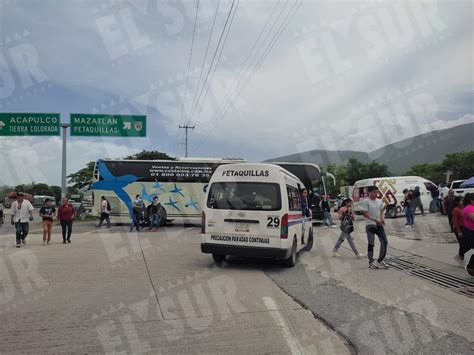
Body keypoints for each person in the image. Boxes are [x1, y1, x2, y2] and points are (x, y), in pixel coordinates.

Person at [362, 186, 389, 269]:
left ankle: (380, 260)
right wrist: (375, 220)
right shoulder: (366, 201)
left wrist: (382, 219)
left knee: (384, 241)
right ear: (369, 192)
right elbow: (365, 214)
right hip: (370, 225)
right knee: (371, 243)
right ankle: (371, 261)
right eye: (374, 192)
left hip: (379, 224)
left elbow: (381, 212)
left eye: (377, 192)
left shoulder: (379, 201)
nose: (376, 194)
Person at [456, 193, 474, 267]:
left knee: (467, 245)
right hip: (470, 231)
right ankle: (460, 256)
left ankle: (460, 256)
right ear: (471, 200)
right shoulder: (468, 208)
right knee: (467, 245)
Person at [452, 196, 464, 263]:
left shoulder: (464, 208)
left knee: (466, 243)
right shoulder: (456, 209)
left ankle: (460, 256)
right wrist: (458, 231)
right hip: (459, 227)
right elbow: (455, 221)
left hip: (465, 227)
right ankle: (461, 258)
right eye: (461, 200)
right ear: (457, 202)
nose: (462, 202)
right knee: (462, 243)